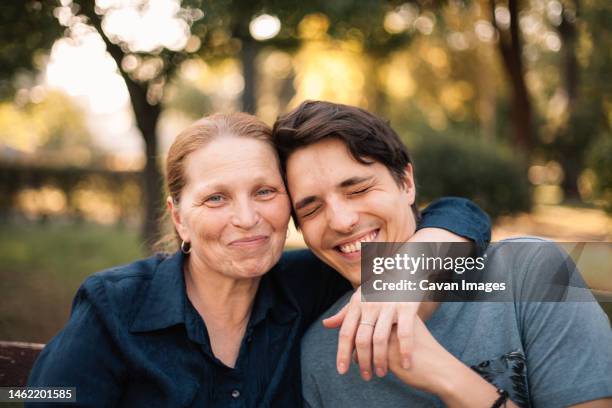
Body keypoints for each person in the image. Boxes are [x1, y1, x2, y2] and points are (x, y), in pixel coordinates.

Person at [27, 112, 491, 407]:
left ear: (288, 204)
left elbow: (456, 213)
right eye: (216, 199)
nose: (247, 218)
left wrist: (407, 274)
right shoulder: (116, 304)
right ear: (180, 218)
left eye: (264, 192)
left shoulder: (311, 282)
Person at [272, 100, 612, 408]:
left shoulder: (530, 277)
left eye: (358, 190)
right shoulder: (319, 356)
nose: (342, 221)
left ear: (406, 183)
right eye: (312, 210)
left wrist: (448, 377)